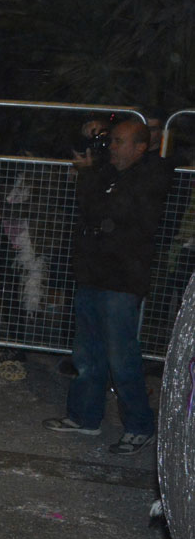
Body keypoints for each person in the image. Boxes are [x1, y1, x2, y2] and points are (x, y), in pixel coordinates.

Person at [43, 119, 172, 454]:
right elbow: (87, 210)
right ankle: (84, 416)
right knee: (87, 352)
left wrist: (88, 177)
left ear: (141, 146)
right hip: (94, 272)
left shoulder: (153, 173)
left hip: (121, 278)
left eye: (118, 141)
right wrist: (88, 146)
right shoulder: (108, 172)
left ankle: (140, 426)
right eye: (110, 140)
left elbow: (113, 211)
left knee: (121, 357)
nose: (111, 147)